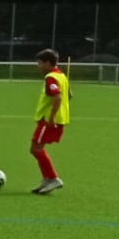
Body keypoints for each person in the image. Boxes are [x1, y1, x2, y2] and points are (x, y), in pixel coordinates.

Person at [30, 49, 70, 195]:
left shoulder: (51, 78)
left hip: (49, 120)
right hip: (58, 118)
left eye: (40, 63)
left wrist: (52, 116)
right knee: (35, 149)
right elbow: (69, 95)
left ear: (48, 63)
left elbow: (57, 97)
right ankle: (47, 179)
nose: (38, 66)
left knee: (36, 149)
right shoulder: (62, 76)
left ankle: (53, 178)